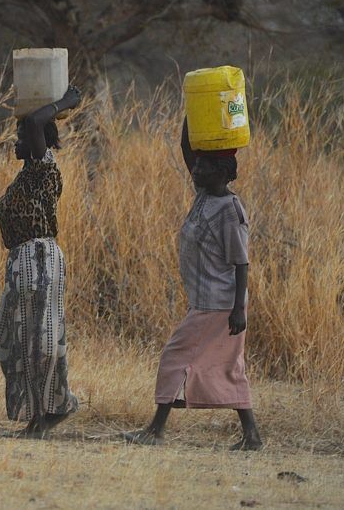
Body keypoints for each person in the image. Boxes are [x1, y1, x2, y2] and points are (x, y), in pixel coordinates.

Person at [123, 119, 262, 450]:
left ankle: (155, 430)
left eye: (204, 166)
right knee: (230, 365)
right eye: (197, 165)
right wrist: (193, 110)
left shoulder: (229, 209)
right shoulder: (205, 194)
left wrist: (238, 310)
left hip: (218, 303)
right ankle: (252, 436)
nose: (196, 169)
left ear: (222, 172)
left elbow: (241, 262)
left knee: (175, 355)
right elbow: (188, 149)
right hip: (209, 300)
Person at [0, 86, 82, 438]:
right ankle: (49, 408)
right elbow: (32, 123)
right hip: (22, 262)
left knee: (40, 343)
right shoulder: (27, 175)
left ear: (36, 139)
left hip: (40, 259)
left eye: (19, 136)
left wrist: (66, 104)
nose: (14, 141)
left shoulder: (45, 168)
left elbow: (35, 121)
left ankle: (44, 418)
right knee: (3, 340)